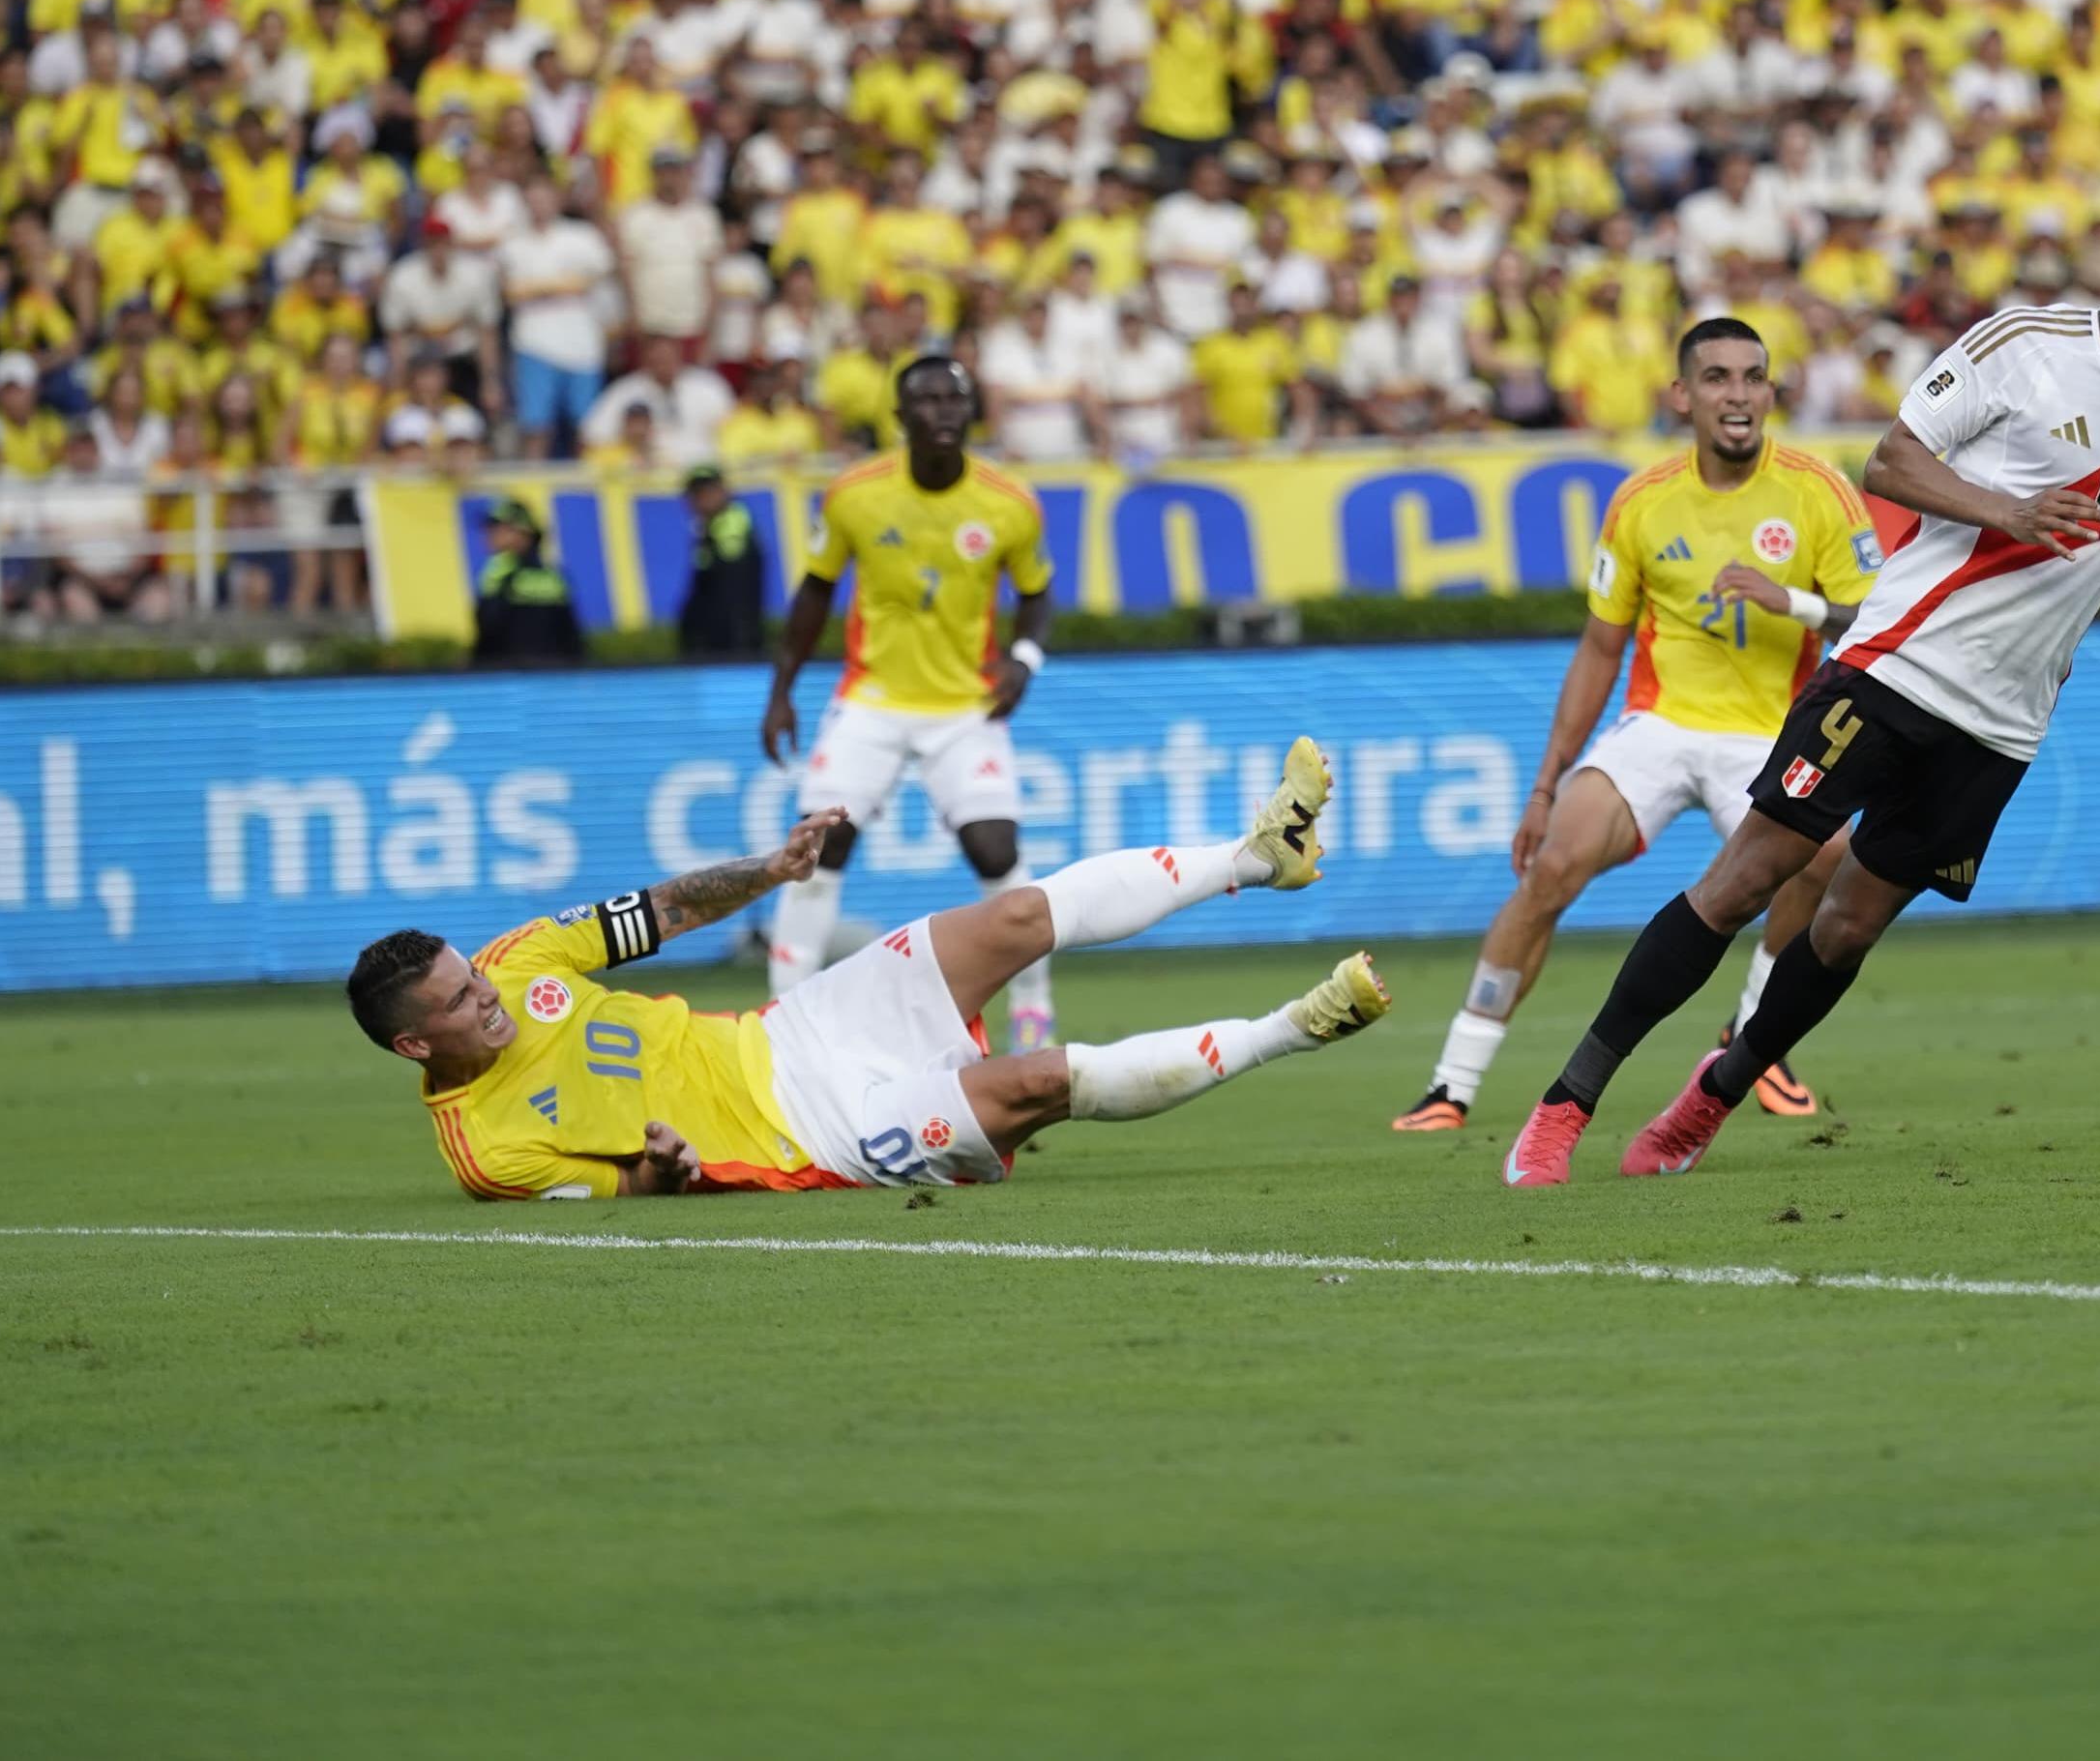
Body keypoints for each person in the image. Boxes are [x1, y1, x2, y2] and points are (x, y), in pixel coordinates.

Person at [1504, 205, 2100, 1187]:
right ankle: (1565, 1105)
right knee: (1742, 882)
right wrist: (2006, 508)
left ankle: (1710, 1097)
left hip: (2002, 726)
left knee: (1850, 926)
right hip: (1894, 671)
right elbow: (1891, 459)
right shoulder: (2026, 346)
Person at [347, 738, 1373, 1199]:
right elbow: (628, 1190)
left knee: (1012, 916)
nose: (487, 994)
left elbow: (662, 909)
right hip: (815, 1136)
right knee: (1040, 1078)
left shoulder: (522, 958)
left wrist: (771, 869)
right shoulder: (487, 1153)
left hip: (794, 1032)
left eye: (473, 977)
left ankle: (1252, 856)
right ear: (411, 1044)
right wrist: (662, 1167)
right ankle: (1296, 1026)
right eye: (461, 1002)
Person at [1392, 316, 1876, 1132]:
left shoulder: (1817, 489)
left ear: (1770, 393)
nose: (1739, 394)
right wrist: (1545, 785)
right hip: (1659, 723)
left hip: (1765, 731)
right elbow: (1598, 650)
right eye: (1718, 377)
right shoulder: (1642, 500)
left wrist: (1787, 600)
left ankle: (1754, 1036)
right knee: (1551, 867)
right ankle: (1452, 1084)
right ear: (1682, 395)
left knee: (1825, 858)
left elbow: (1877, 622)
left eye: (1753, 377)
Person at [758, 356, 1063, 1053]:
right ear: (899, 418)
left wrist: (1024, 660)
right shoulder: (854, 495)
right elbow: (813, 593)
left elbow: (1038, 591)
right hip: (871, 700)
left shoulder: (1008, 502)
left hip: (965, 707)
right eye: (926, 400)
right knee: (818, 844)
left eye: (956, 397)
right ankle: (783, 1025)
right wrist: (781, 692)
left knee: (996, 849)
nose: (944, 411)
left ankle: (1034, 1013)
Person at [470, 494, 587, 665]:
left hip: (508, 677)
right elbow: (572, 638)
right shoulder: (554, 575)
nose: (489, 535)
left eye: (498, 528)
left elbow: (488, 629)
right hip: (555, 676)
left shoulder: (498, 572)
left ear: (523, 533)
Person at [676, 462, 767, 659]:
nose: (702, 499)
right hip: (718, 643)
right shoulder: (708, 527)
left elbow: (730, 585)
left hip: (732, 645)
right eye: (696, 493)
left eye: (708, 491)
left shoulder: (732, 519)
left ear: (723, 490)